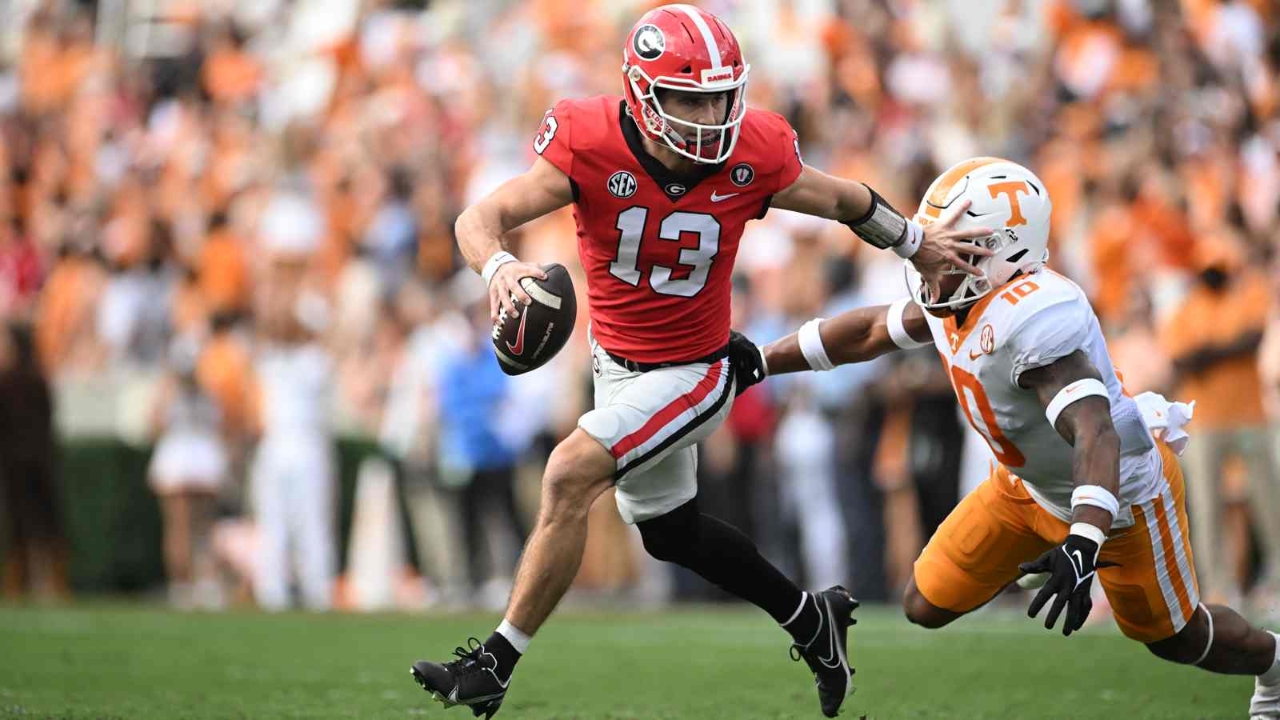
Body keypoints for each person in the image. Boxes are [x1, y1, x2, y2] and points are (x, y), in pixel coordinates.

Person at [408, 6, 990, 718]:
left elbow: (843, 199)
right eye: (689, 98)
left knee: (567, 473)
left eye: (719, 96)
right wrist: (498, 266)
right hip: (618, 363)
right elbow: (479, 218)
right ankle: (811, 619)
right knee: (670, 533)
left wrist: (914, 243)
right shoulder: (589, 138)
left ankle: (494, 665)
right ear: (641, 95)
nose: (710, 114)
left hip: (698, 369)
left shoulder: (756, 150)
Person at [732, 157, 1280, 720]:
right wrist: (755, 360)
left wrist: (1084, 540)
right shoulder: (957, 291)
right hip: (1023, 488)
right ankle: (1042, 543)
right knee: (924, 604)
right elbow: (871, 330)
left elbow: (1095, 431)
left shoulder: (1035, 315)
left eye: (958, 244)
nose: (934, 257)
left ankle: (1274, 664)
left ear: (1007, 252)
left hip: (1120, 499)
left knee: (1176, 639)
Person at [147, 335, 228, 609]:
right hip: (183, 460)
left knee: (199, 528)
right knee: (181, 527)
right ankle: (183, 584)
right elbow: (153, 426)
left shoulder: (204, 395)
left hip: (197, 460)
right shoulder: (172, 394)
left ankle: (201, 582)